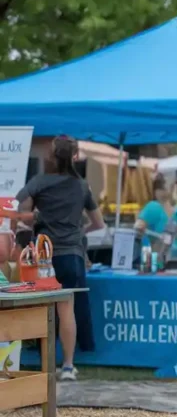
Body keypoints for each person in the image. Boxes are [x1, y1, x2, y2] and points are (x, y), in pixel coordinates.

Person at [16, 135, 105, 381]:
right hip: (72, 256)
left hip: (44, 256)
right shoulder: (81, 186)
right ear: (74, 157)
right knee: (67, 311)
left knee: (42, 310)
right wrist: (79, 232)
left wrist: (33, 217)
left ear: (51, 157)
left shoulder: (40, 182)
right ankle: (68, 366)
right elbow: (98, 223)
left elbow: (18, 205)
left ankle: (44, 365)